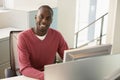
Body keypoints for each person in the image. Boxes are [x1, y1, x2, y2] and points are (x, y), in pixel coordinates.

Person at [17, 5, 69, 80]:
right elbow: (25, 68)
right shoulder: (23, 37)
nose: (44, 21)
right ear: (35, 18)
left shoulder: (57, 35)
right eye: (41, 17)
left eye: (48, 18)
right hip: (31, 76)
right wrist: (46, 76)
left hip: (49, 75)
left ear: (51, 21)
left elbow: (68, 57)